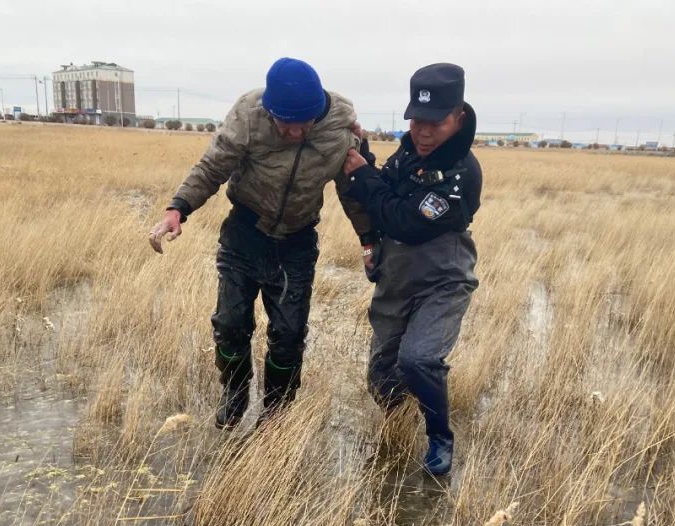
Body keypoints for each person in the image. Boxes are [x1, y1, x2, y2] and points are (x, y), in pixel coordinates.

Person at [149, 58, 375, 429]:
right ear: (269, 112)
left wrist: (368, 242)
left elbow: (352, 192)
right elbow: (212, 167)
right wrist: (178, 208)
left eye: (300, 124)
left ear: (316, 113)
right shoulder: (248, 115)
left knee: (288, 334)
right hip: (245, 232)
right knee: (230, 323)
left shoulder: (340, 130)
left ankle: (276, 411)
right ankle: (235, 391)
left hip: (297, 241)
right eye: (283, 123)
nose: (291, 132)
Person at [342, 63, 481, 476]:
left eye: (434, 123)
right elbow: (384, 189)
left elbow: (402, 220)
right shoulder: (409, 152)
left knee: (418, 358)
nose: (422, 131)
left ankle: (439, 436)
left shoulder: (461, 175)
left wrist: (363, 175)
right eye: (416, 120)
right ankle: (399, 417)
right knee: (382, 378)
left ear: (457, 117)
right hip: (397, 278)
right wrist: (365, 156)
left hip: (442, 280)